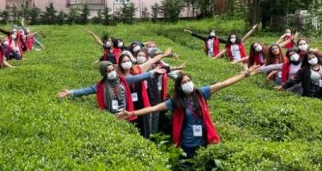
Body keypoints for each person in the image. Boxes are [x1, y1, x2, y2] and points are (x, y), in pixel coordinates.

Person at [117, 65, 261, 158]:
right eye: (184, 82)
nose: (187, 84)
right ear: (179, 87)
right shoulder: (175, 102)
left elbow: (224, 83)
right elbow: (154, 108)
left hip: (204, 140)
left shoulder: (201, 93)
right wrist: (132, 113)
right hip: (187, 143)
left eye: (188, 81)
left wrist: (245, 74)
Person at [58, 61, 167, 119]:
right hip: (110, 117)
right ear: (104, 73)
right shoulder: (100, 86)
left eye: (112, 69)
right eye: (108, 71)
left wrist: (153, 72)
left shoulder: (124, 80)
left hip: (124, 114)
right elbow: (85, 91)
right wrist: (69, 92)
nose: (111, 72)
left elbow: (138, 77)